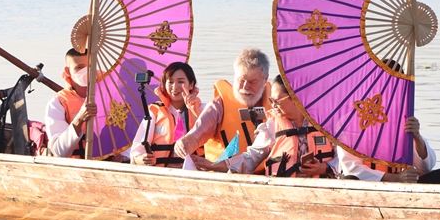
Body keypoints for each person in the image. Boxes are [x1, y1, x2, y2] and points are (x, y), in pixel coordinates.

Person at [196, 74, 338, 178]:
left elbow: (344, 161)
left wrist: (324, 167)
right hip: (284, 191)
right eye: (271, 100)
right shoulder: (271, 126)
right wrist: (210, 165)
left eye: (277, 101)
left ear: (296, 99)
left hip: (324, 188)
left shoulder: (327, 124)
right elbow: (249, 159)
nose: (273, 105)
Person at [173, 48, 272, 164]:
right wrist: (185, 144)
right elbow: (198, 133)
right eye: (241, 80)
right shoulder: (218, 106)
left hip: (266, 175)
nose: (245, 87)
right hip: (224, 172)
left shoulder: (276, 104)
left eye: (252, 82)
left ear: (265, 78)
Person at [337, 117, 440, 184]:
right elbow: (351, 169)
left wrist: (417, 137)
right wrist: (394, 178)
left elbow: (426, 167)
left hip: (402, 187)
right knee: (350, 182)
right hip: (370, 186)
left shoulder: (402, 120)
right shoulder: (348, 123)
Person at [130, 62, 204, 168]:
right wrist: (142, 159)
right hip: (161, 174)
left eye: (181, 82)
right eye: (170, 82)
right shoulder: (154, 112)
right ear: (164, 84)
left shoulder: (203, 110)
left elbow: (215, 146)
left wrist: (195, 111)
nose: (175, 87)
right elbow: (136, 152)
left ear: (191, 84)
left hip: (194, 173)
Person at [43, 48, 97, 158]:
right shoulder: (57, 103)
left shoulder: (108, 95)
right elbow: (59, 151)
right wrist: (79, 119)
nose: (86, 71)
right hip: (74, 166)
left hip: (108, 163)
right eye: (80, 67)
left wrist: (123, 155)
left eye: (89, 66)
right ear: (68, 71)